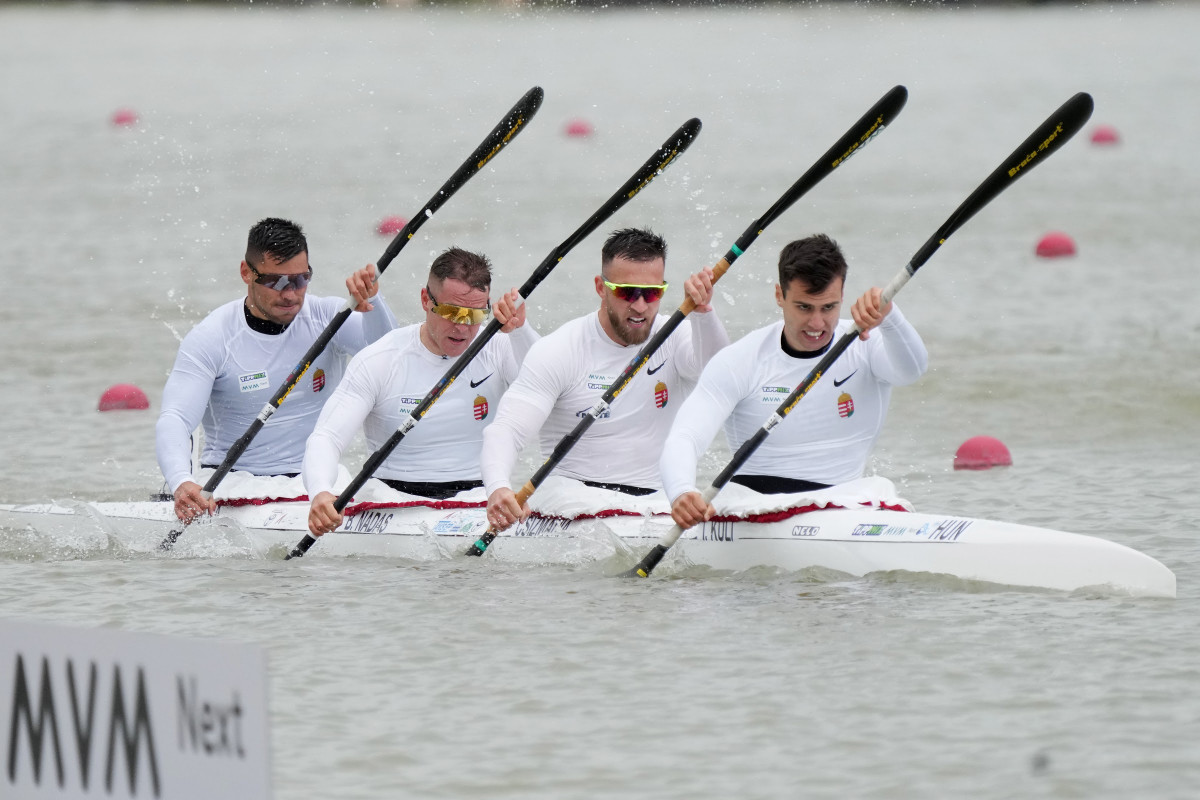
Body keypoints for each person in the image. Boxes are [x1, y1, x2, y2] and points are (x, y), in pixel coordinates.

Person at [660, 233, 928, 529]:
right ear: (780, 295)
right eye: (804, 307)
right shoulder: (741, 360)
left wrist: (890, 317)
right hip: (754, 509)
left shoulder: (866, 344)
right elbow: (685, 436)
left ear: (842, 296)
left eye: (828, 307)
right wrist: (682, 492)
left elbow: (912, 370)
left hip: (845, 505)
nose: (817, 323)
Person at [481, 227, 729, 531]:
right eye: (627, 292)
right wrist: (499, 487)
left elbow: (719, 373)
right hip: (572, 499)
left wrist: (703, 312)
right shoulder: (561, 349)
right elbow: (508, 429)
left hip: (656, 500)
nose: (640, 306)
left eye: (652, 293)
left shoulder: (675, 337)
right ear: (601, 287)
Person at [156, 217, 397, 523]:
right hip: (235, 485)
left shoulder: (328, 317)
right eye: (276, 282)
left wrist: (374, 301)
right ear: (246, 272)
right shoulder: (213, 337)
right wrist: (181, 481)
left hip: (316, 482)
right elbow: (176, 417)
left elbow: (391, 360)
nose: (290, 294)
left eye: (300, 280)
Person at [303, 247, 537, 537]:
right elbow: (327, 437)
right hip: (393, 502)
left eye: (475, 315)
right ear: (426, 300)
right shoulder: (381, 359)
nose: (462, 327)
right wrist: (321, 492)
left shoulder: (498, 349)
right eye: (451, 312)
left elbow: (549, 386)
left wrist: (521, 330)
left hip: (479, 499)